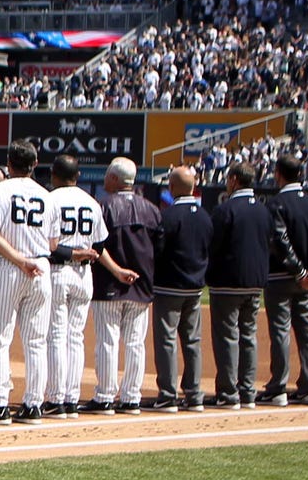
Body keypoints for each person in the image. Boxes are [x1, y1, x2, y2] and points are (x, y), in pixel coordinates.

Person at [0, 142, 52, 424]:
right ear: (35, 164)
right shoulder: (47, 196)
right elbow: (54, 241)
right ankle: (33, 405)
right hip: (41, 266)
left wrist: (19, 259)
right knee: (36, 341)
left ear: (9, 163)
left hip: (7, 266)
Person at [89, 157, 156, 416]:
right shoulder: (150, 208)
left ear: (115, 179)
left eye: (107, 175)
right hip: (141, 285)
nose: (105, 179)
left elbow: (97, 246)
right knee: (135, 343)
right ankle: (131, 397)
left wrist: (116, 271)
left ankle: (105, 396)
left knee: (108, 341)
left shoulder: (103, 206)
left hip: (108, 284)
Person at [202, 163, 272, 409]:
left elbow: (213, 246)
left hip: (228, 281)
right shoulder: (264, 210)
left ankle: (229, 393)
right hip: (255, 282)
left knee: (227, 337)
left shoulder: (225, 210)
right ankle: (247, 391)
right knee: (248, 336)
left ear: (233, 180)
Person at [42, 154, 106, 418]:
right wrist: (84, 254)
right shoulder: (92, 203)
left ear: (54, 175)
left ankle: (56, 398)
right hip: (84, 275)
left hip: (58, 272)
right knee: (75, 337)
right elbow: (100, 245)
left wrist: (72, 254)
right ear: (77, 176)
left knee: (57, 335)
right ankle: (71, 397)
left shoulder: (51, 199)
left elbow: (46, 245)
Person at [261, 154, 308, 407]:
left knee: (280, 330)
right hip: (307, 279)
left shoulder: (276, 204)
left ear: (278, 173)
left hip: (281, 277)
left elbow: (279, 240)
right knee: (307, 331)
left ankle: (278, 387)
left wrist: (298, 270)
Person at [148, 165, 211, 412]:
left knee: (167, 340)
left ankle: (167, 393)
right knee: (192, 340)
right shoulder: (205, 215)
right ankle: (194, 392)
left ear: (172, 188)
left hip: (169, 286)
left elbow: (158, 251)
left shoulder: (169, 215)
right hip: (195, 287)